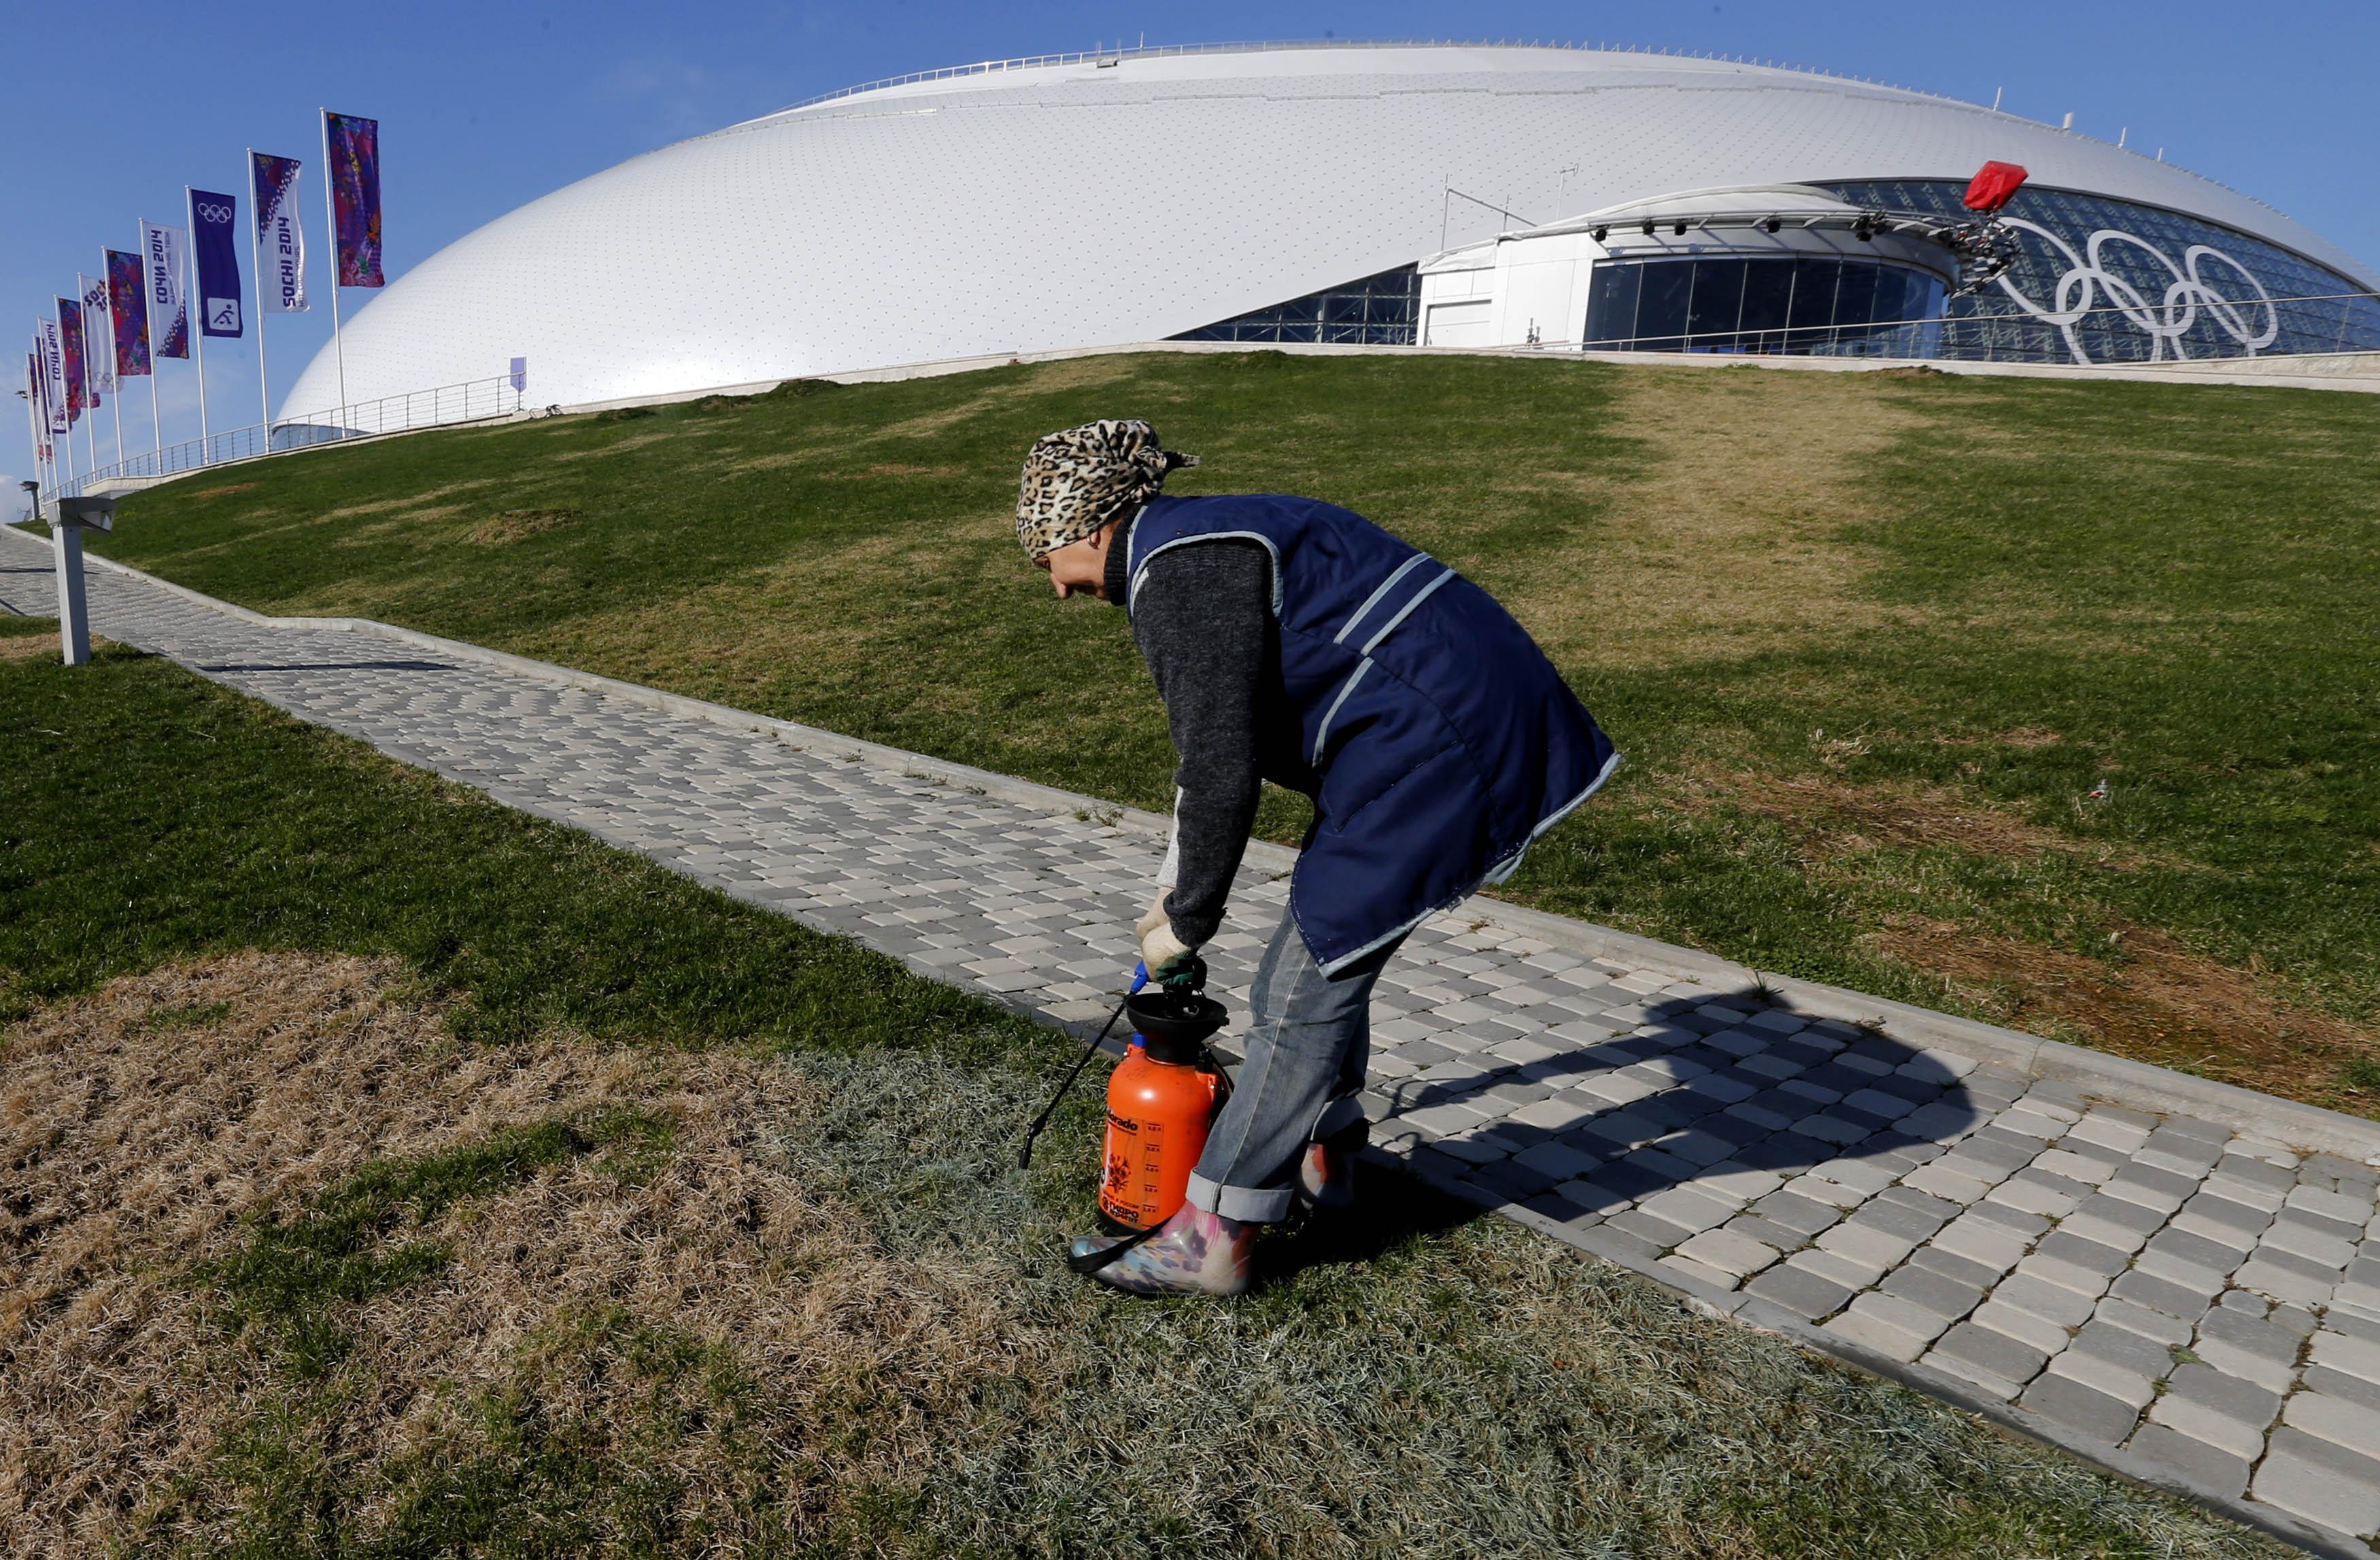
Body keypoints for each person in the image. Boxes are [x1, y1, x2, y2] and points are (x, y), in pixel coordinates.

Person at [1017, 419, 1617, 1297]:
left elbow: (1221, 769)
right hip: (1425, 725)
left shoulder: (1176, 575)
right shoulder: (1191, 543)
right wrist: (1169, 892)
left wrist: (1184, 921)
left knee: (1301, 981)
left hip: (1437, 734)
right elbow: (1216, 752)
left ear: (1094, 525)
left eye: (1049, 561)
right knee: (1331, 938)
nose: (1059, 591)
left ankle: (1215, 1235)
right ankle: (1327, 1164)